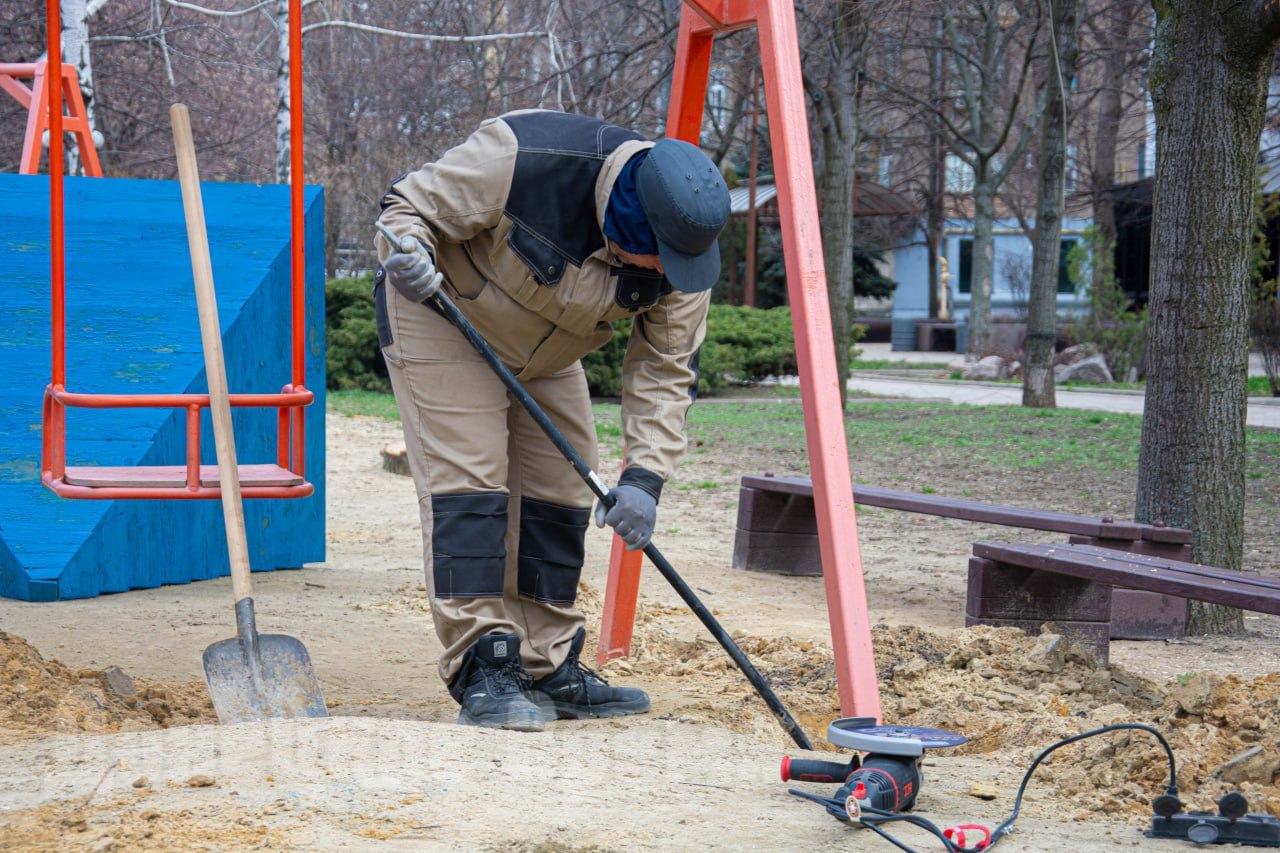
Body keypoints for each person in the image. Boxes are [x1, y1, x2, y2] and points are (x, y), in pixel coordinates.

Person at [373, 109, 730, 732]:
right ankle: (483, 662)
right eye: (660, 258)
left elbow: (666, 370)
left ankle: (546, 664)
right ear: (630, 223)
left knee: (562, 491)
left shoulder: (683, 252)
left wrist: (645, 482)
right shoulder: (522, 159)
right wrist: (409, 254)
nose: (666, 274)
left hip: (548, 348)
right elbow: (407, 208)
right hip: (444, 313)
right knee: (471, 485)